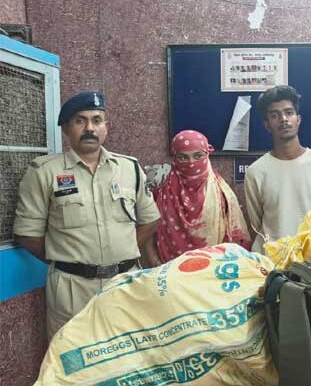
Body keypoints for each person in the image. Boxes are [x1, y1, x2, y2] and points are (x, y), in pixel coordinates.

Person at [13, 91, 160, 338]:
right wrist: (68, 260)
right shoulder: (44, 172)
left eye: (96, 120)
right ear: (66, 128)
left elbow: (150, 219)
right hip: (72, 290)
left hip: (124, 282)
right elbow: (28, 235)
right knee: (73, 354)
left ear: (106, 127)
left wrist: (123, 253)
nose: (90, 128)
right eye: (80, 121)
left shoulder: (130, 169)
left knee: (128, 351)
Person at [244, 85, 311, 253]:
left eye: (289, 112)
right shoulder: (256, 172)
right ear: (267, 125)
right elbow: (256, 224)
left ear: (298, 119)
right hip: (270, 262)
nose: (283, 119)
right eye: (275, 115)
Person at [141, 130, 251, 266]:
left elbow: (235, 236)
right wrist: (155, 262)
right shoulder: (161, 193)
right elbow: (148, 229)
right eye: (183, 157)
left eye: (198, 156)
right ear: (175, 159)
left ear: (207, 155)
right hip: (169, 269)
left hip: (214, 268)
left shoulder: (222, 193)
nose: (191, 162)